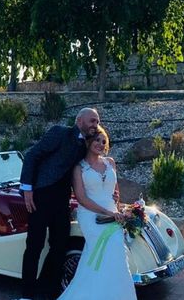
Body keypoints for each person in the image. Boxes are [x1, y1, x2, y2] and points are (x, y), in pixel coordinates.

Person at [18, 107, 100, 300]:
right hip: (41, 196)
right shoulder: (59, 132)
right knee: (35, 245)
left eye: (97, 122)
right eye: (92, 121)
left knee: (59, 245)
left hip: (62, 200)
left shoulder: (87, 144)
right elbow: (32, 155)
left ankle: (48, 290)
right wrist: (28, 189)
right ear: (79, 121)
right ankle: (27, 294)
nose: (95, 125)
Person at [58, 127, 135, 300]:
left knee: (116, 256)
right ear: (88, 141)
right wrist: (107, 211)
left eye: (103, 141)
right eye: (97, 140)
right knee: (101, 254)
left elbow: (115, 193)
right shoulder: (79, 168)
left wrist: (116, 204)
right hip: (91, 217)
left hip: (113, 216)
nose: (101, 144)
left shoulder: (110, 163)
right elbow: (81, 198)